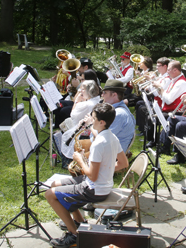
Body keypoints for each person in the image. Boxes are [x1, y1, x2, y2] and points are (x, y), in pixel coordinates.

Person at [46, 103, 129, 248]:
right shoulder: (112, 137)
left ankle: (74, 236)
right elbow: (123, 163)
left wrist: (79, 160)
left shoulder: (98, 145)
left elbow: (92, 176)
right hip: (103, 186)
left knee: (49, 194)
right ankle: (79, 223)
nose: (91, 118)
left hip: (93, 189)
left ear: (102, 122)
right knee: (55, 185)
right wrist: (106, 170)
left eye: (94, 117)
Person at [101, 79, 136, 152]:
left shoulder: (118, 114)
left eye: (105, 93)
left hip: (111, 155)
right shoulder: (117, 110)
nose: (102, 95)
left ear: (114, 95)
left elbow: (103, 139)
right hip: (108, 149)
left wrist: (91, 125)